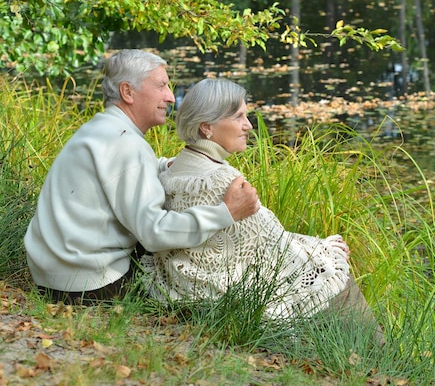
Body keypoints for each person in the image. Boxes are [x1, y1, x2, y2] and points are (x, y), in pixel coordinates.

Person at [24, 50, 260, 305]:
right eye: (161, 86)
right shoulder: (127, 145)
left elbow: (119, 173)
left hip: (53, 274)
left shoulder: (102, 129)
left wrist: (166, 165)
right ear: (127, 92)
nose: (170, 97)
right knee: (188, 262)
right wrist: (226, 212)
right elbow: (154, 233)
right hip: (89, 285)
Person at [142, 78, 378, 325]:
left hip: (182, 282)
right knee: (333, 272)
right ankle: (378, 355)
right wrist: (328, 248)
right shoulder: (224, 182)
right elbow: (277, 246)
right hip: (215, 291)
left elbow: (258, 238)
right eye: (238, 117)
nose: (248, 126)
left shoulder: (173, 169)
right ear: (206, 127)